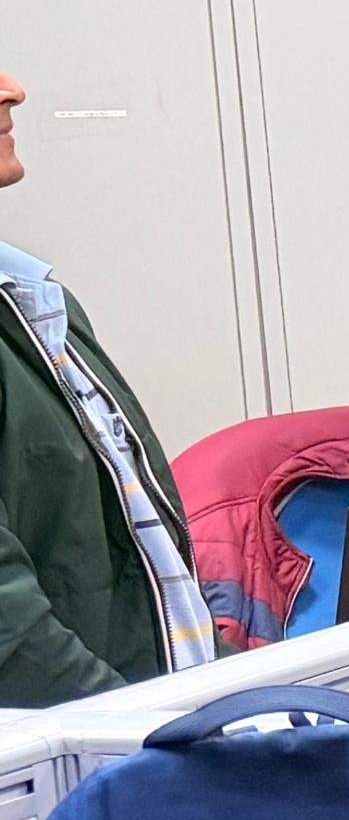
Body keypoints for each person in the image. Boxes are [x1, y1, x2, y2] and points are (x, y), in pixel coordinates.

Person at [0, 63, 217, 703]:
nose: (13, 90)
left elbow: (145, 583)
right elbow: (13, 638)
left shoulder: (33, 299)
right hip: (81, 751)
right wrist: (141, 741)